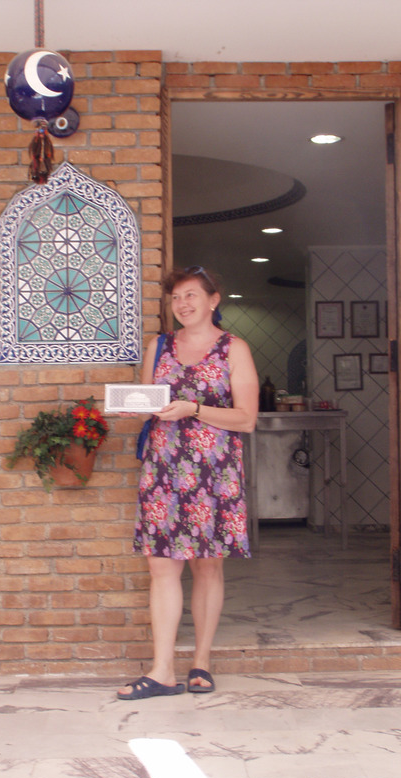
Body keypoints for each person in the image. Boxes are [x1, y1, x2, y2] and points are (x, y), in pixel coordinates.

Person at [117, 265, 259, 700]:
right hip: (163, 469)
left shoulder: (234, 348)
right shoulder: (159, 345)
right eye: (176, 297)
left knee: (207, 565)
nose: (182, 304)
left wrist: (193, 409)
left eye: (191, 295)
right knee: (161, 565)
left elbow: (246, 419)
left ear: (213, 300)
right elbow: (150, 401)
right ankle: (162, 671)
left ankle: (202, 662)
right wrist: (134, 406)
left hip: (214, 472)